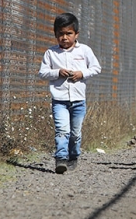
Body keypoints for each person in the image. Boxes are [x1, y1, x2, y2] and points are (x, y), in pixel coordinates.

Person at [38, 13, 102, 174]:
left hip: (79, 101)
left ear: (76, 34)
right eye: (61, 34)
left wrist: (82, 73)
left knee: (75, 133)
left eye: (69, 34)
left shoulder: (84, 51)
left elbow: (96, 68)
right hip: (59, 100)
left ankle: (74, 156)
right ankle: (61, 159)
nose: (65, 38)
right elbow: (43, 73)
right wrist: (57, 72)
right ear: (55, 34)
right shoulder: (51, 53)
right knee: (62, 130)